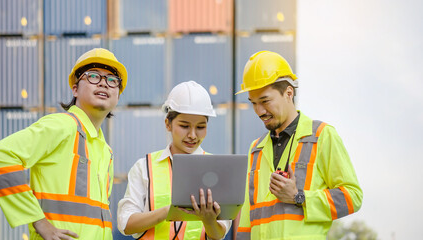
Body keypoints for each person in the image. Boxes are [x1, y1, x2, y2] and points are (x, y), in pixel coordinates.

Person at [0, 48, 128, 240]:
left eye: (112, 80)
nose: (103, 83)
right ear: (75, 89)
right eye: (93, 76)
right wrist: (38, 221)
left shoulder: (105, 151)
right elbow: (2, 155)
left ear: (118, 95)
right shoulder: (63, 125)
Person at [234, 51, 363, 239]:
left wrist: (298, 197)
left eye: (265, 101)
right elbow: (247, 220)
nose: (259, 111)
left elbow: (353, 197)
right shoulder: (256, 149)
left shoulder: (322, 136)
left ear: (288, 93)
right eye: (253, 103)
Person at [117, 81, 231, 240]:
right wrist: (168, 212)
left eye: (200, 127)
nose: (192, 135)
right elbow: (126, 224)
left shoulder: (216, 168)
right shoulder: (144, 167)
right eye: (184, 126)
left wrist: (209, 219)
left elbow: (219, 234)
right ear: (168, 124)